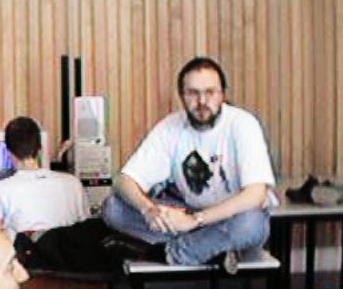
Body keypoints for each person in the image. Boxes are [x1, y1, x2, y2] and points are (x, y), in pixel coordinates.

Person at [102, 56, 276, 271]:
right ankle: (209, 249)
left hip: (232, 218)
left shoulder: (243, 124)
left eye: (210, 92)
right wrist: (149, 210)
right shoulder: (170, 127)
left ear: (223, 94)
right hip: (188, 216)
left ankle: (164, 253)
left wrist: (196, 220)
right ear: (182, 96)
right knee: (113, 208)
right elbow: (123, 180)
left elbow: (256, 195)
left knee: (250, 224)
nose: (202, 101)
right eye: (193, 93)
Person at [0, 116, 90, 239]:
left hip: (24, 251)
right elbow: (86, 228)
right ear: (40, 149)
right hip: (69, 251)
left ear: (8, 152)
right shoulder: (73, 183)